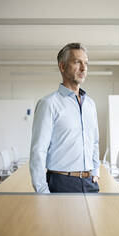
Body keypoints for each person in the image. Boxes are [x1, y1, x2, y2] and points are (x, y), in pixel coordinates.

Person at [30, 43, 100, 193]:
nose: (83, 68)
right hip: (62, 183)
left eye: (86, 63)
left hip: (90, 183)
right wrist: (42, 191)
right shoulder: (48, 104)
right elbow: (38, 151)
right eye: (77, 62)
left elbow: (94, 142)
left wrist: (96, 172)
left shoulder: (90, 105)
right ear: (62, 66)